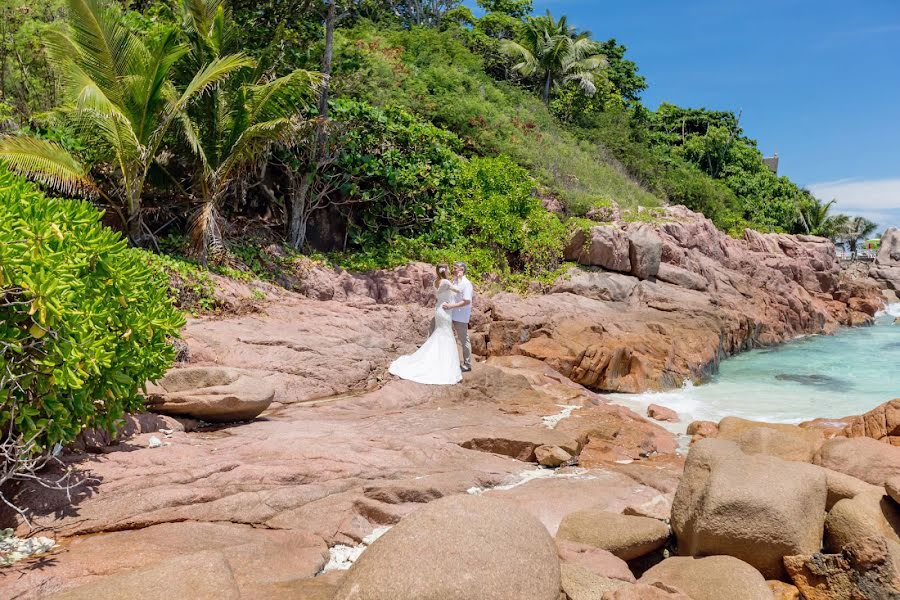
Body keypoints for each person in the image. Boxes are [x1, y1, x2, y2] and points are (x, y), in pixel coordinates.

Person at [387, 265, 463, 385]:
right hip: (445, 311)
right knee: (445, 333)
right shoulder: (446, 282)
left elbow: (447, 293)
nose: (449, 271)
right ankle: (443, 363)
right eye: (448, 269)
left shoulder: (436, 282)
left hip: (439, 309)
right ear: (445, 271)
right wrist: (459, 278)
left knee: (440, 333)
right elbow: (458, 290)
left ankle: (439, 358)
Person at [445, 262, 474, 372]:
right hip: (451, 313)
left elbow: (467, 301)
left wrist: (452, 305)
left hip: (460, 316)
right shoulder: (455, 281)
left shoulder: (466, 283)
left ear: (461, 269)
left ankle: (467, 364)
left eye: (456, 268)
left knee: (463, 339)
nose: (453, 269)